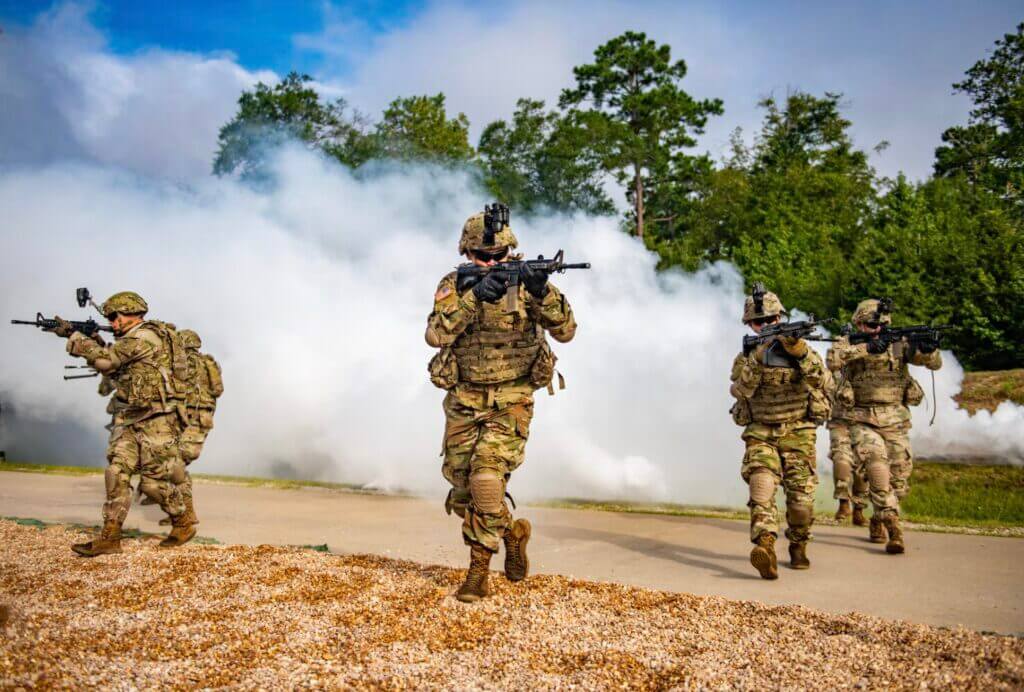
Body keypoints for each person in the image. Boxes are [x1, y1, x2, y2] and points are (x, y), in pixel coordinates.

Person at [425, 205, 577, 602]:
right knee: (464, 496)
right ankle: (512, 533)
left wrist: (541, 292)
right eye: (483, 257)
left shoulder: (527, 284)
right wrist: (474, 297)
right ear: (467, 253)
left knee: (486, 481)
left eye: (500, 256)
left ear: (511, 251)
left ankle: (478, 573)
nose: (493, 263)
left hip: (512, 398)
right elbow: (436, 335)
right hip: (464, 399)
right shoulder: (454, 285)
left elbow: (566, 331)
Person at [53, 291, 195, 556]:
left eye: (114, 316)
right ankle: (110, 537)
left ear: (131, 313)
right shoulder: (133, 339)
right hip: (130, 417)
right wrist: (92, 339)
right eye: (109, 317)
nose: (112, 322)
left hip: (158, 419)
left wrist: (74, 337)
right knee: (116, 472)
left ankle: (183, 521)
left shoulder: (143, 337)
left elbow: (107, 361)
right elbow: (116, 363)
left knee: (153, 484)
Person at [729, 286, 834, 579]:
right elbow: (741, 390)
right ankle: (766, 546)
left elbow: (824, 381)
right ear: (750, 325)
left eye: (771, 320)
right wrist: (758, 359)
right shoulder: (747, 356)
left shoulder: (802, 350)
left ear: (780, 318)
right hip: (761, 431)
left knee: (801, 502)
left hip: (799, 430)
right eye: (758, 322)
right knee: (761, 486)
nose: (765, 326)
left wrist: (800, 353)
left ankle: (798, 545)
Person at [828, 299, 942, 553]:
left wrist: (929, 349)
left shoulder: (898, 344)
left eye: (881, 325)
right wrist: (867, 348)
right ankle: (894, 528)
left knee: (899, 480)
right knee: (877, 469)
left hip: (895, 420)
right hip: (862, 419)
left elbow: (933, 364)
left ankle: (878, 518)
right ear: (859, 324)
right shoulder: (848, 342)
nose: (877, 329)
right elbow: (833, 360)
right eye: (871, 325)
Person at [827, 328, 869, 526]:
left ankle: (859, 508)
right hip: (841, 420)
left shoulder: (873, 358)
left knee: (863, 466)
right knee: (842, 460)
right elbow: (832, 363)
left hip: (866, 420)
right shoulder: (838, 356)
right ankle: (844, 503)